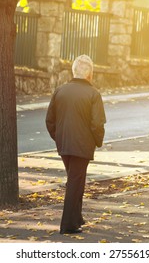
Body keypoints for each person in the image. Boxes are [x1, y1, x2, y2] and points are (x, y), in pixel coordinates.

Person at [46, 54, 106, 234]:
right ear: (90, 74)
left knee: (76, 181)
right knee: (75, 182)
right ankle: (68, 225)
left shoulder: (60, 91)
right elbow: (97, 124)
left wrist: (59, 138)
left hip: (64, 145)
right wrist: (97, 142)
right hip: (82, 146)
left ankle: (77, 218)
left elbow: (50, 120)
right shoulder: (94, 94)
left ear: (74, 71)